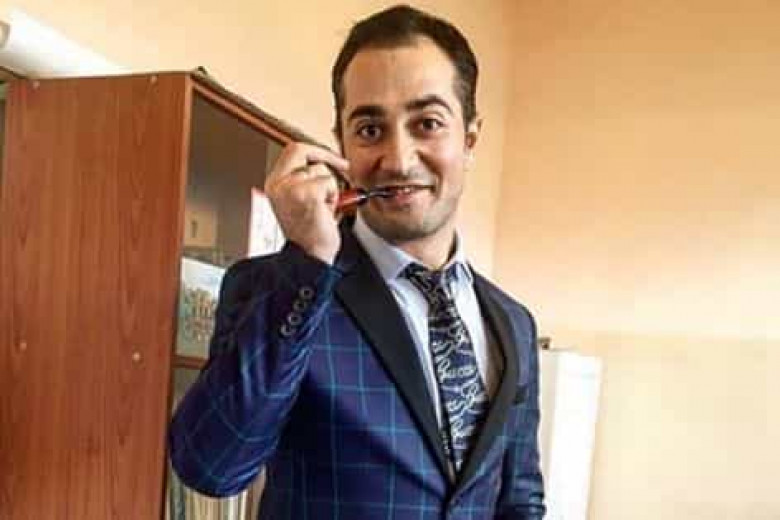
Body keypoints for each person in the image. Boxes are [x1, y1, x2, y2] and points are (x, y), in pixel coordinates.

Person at [169, 4, 546, 519]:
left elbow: (520, 498)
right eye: (370, 129)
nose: (398, 159)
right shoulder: (278, 289)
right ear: (340, 144)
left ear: (469, 139)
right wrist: (308, 263)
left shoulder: (514, 323)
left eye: (427, 123)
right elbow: (212, 468)